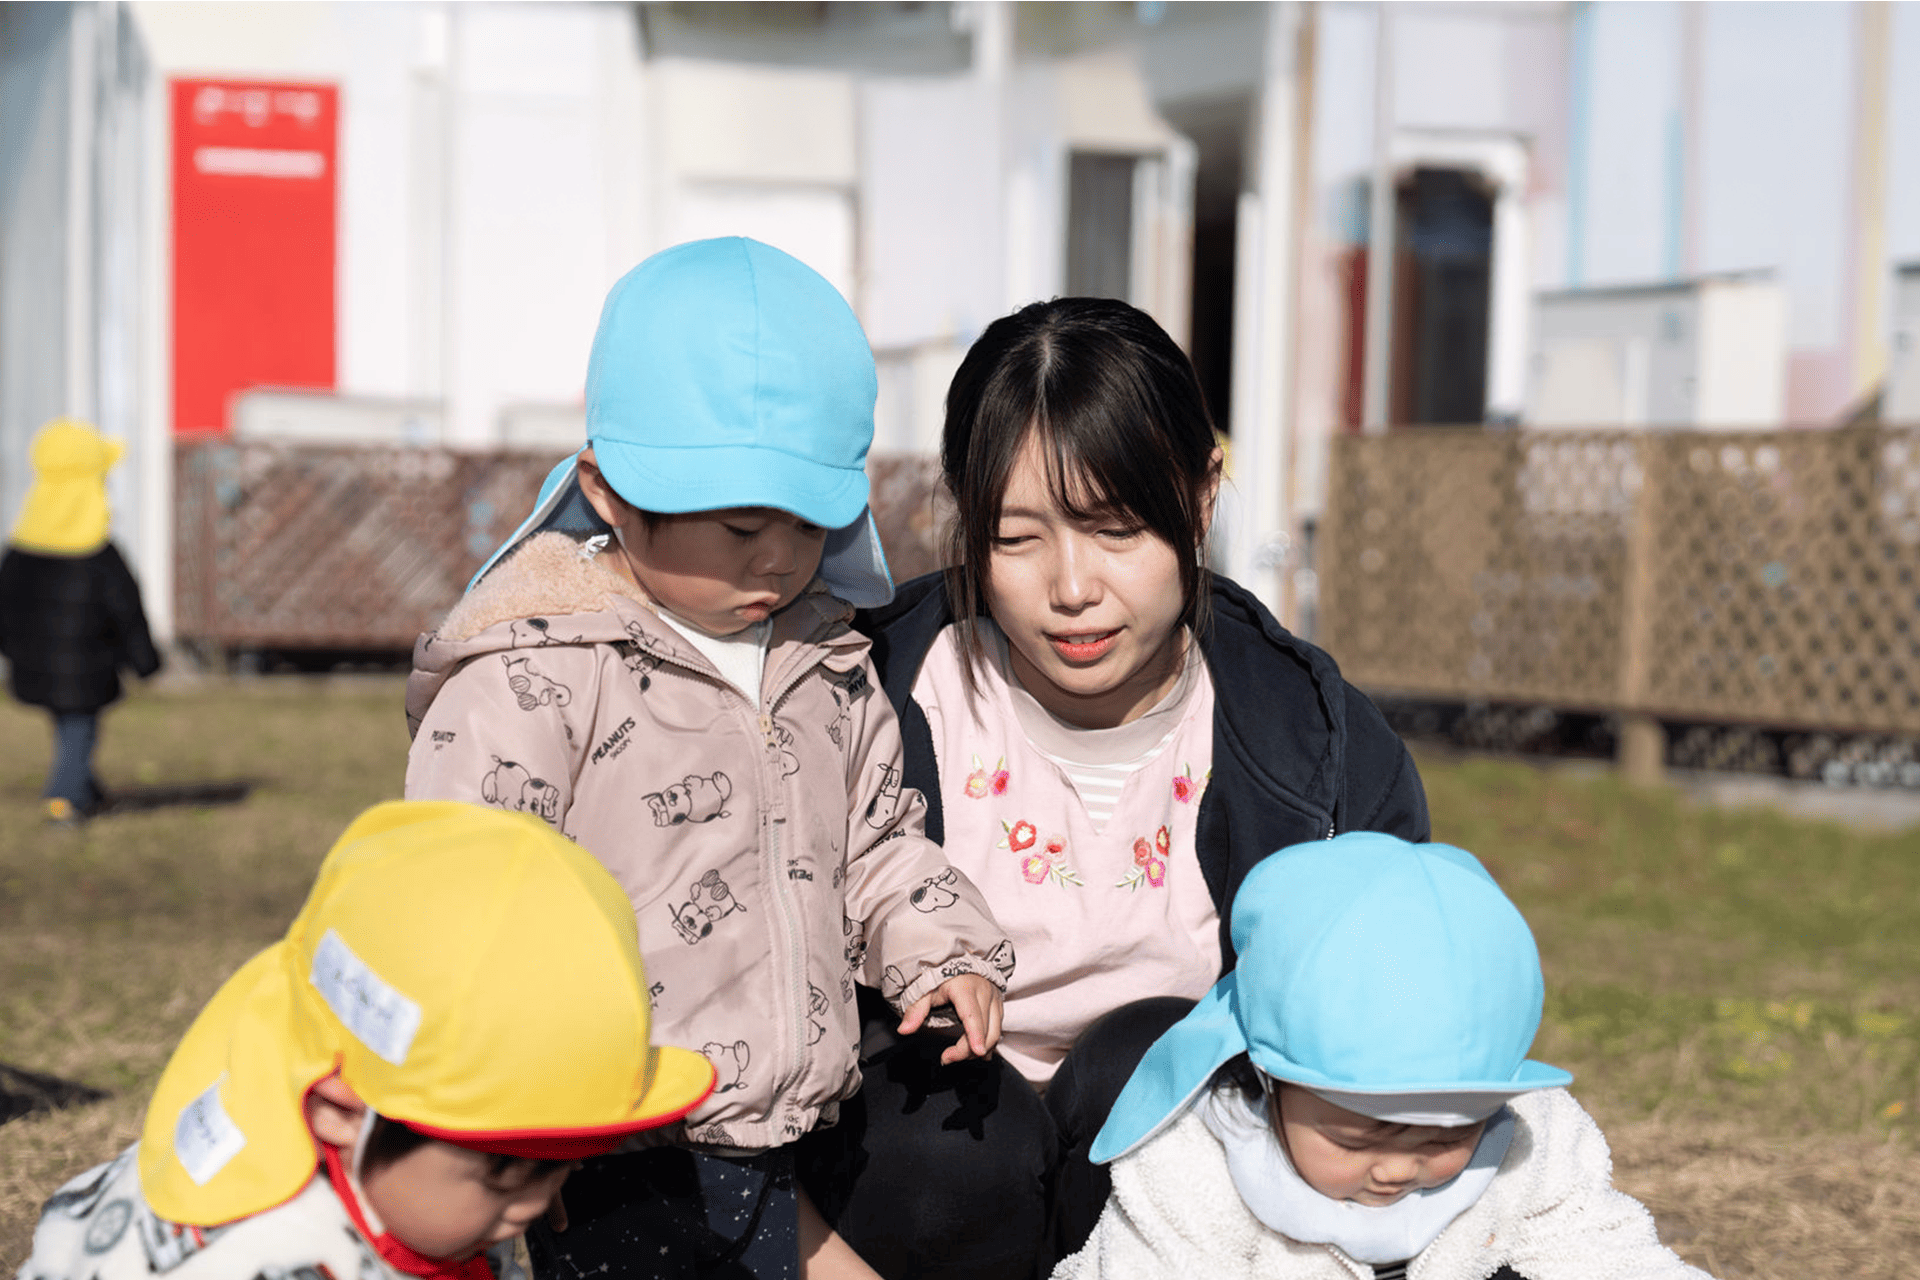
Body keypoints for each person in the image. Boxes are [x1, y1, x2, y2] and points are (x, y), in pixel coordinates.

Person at [403, 237, 1011, 1280]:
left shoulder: (826, 660)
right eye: (737, 525)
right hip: (593, 1144)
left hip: (778, 1135)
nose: (775, 557)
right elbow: (462, 894)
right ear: (605, 490)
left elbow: (876, 843)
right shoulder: (545, 665)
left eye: (811, 523)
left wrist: (944, 946)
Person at [798, 297, 1430, 1280]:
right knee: (949, 1124)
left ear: (1202, 497)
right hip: (920, 1189)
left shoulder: (1309, 731)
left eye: (1118, 528)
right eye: (1017, 538)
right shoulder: (865, 689)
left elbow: (1398, 1015)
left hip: (1186, 1211)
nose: (1071, 586)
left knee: (1153, 1058)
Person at [16, 799, 718, 1280]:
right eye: (507, 1171)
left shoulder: (406, 1182)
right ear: (340, 1111)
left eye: (559, 1164)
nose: (535, 1205)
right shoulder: (259, 1258)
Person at [1053, 832, 1709, 1280]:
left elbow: (1608, 1253)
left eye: (1443, 1135)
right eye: (1357, 1135)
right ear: (1265, 1076)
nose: (1396, 1167)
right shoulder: (1197, 1168)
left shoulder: (1532, 1144)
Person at [0, 418, 160, 824]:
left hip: (36, 665)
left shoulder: (20, 550)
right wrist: (144, 661)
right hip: (89, 667)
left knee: (69, 725)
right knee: (80, 727)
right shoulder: (100, 555)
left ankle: (87, 789)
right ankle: (64, 799)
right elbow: (127, 611)